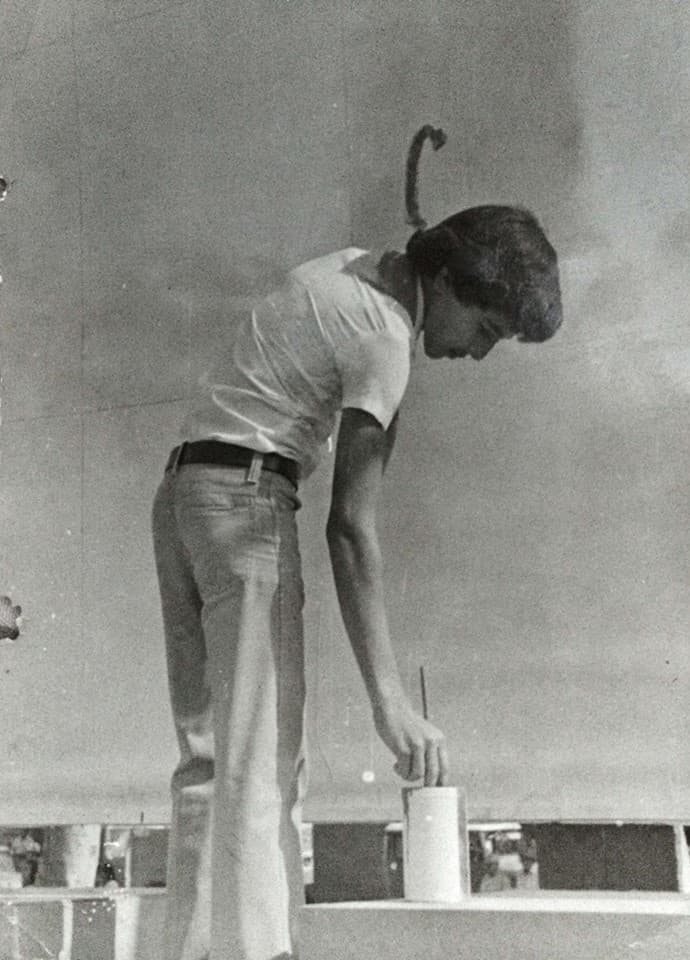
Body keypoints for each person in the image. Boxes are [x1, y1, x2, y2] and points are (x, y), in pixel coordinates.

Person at [151, 126, 562, 960]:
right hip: (245, 508)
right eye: (485, 328)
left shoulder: (348, 270)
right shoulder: (385, 338)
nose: (477, 352)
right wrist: (390, 702)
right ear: (447, 281)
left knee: (209, 767)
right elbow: (350, 527)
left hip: (182, 497)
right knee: (263, 770)